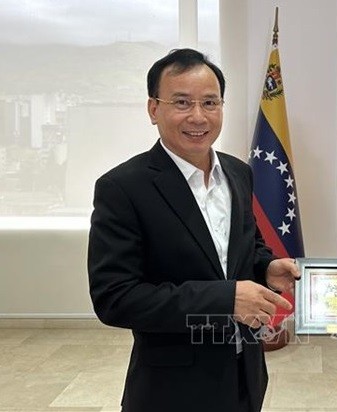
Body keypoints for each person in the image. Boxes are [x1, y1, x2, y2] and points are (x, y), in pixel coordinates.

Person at [87, 48, 300, 412]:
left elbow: (245, 249)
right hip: (172, 388)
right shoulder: (123, 187)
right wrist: (225, 300)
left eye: (210, 102)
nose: (198, 117)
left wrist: (266, 267)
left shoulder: (238, 173)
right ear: (153, 109)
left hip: (244, 375)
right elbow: (115, 298)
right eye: (182, 102)